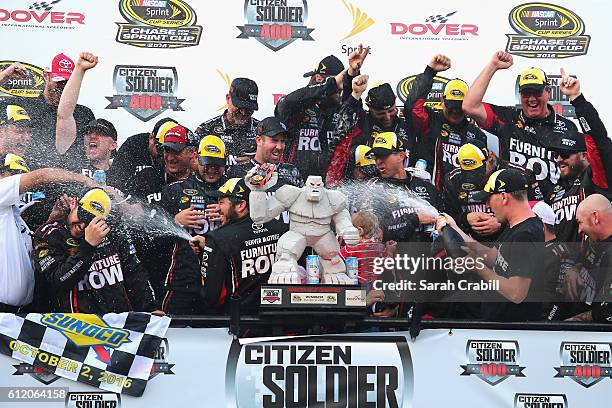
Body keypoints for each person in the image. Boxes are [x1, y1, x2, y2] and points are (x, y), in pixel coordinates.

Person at [438, 168, 546, 321]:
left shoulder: (526, 234)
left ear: (503, 197)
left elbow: (516, 293)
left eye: (489, 198)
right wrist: (455, 228)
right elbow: (493, 256)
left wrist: (478, 267)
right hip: (497, 322)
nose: (487, 204)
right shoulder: (515, 226)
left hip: (512, 330)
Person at [31, 188, 160, 313]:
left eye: (90, 221)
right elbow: (59, 281)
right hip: (74, 327)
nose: (82, 226)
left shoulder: (112, 230)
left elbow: (134, 272)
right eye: (82, 215)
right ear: (73, 203)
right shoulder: (49, 235)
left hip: (117, 324)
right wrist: (88, 246)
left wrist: (151, 307)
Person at [463, 51, 579, 186]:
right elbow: (469, 106)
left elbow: (576, 170)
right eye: (526, 93)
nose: (531, 99)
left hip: (553, 203)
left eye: (536, 92)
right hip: (514, 201)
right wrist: (493, 66)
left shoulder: (567, 126)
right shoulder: (508, 118)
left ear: (548, 92)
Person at [0, 153, 97, 311]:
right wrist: (85, 180)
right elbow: (41, 176)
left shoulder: (12, 213)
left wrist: (52, 220)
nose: (23, 180)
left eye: (24, 175)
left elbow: (28, 252)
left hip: (19, 312)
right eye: (15, 174)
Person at [159, 135, 228, 313]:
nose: (212, 170)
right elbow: (154, 234)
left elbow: (249, 230)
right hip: (183, 278)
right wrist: (175, 221)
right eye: (207, 165)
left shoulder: (234, 191)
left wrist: (230, 219)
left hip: (221, 279)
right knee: (171, 330)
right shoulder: (174, 190)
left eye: (217, 165)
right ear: (196, 158)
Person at [199, 178, 288, 313]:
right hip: (278, 316)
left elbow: (213, 297)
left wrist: (209, 250)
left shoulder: (218, 238)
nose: (217, 208)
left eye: (221, 202)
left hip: (238, 323)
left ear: (241, 205)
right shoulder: (281, 229)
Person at [544, 70, 612, 247]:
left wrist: (577, 99)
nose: (559, 159)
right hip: (558, 267)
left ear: (584, 155)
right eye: (556, 154)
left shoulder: (595, 179)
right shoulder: (554, 190)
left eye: (565, 154)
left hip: (592, 264)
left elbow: (599, 142)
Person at [404, 54, 488, 189]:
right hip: (428, 193)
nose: (455, 111)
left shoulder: (477, 135)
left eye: (459, 106)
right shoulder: (430, 121)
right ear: (442, 101)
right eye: (451, 105)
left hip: (459, 197)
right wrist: (430, 71)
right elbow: (412, 108)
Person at [443, 140, 544, 243]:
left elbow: (540, 212)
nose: (474, 177)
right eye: (468, 172)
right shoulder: (453, 179)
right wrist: (465, 219)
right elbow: (445, 215)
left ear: (490, 158)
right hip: (469, 241)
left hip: (509, 240)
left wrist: (504, 222)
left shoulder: (518, 175)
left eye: (478, 171)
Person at [327, 71, 415, 187]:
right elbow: (348, 112)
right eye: (381, 113)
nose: (387, 117)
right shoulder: (363, 122)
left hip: (403, 187)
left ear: (395, 100)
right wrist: (352, 78)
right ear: (369, 107)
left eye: (391, 111)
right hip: (367, 188)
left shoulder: (407, 125)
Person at [276, 54, 349, 179]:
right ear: (319, 79)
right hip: (294, 186)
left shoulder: (342, 108)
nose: (340, 89)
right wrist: (330, 86)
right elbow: (287, 102)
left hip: (329, 189)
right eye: (338, 86)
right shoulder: (296, 105)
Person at [362, 132, 442, 242]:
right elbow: (374, 232)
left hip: (428, 255)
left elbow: (445, 219)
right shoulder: (374, 189)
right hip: (392, 255)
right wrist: (414, 219)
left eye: (383, 155)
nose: (378, 161)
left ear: (401, 156)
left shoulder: (426, 187)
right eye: (376, 157)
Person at [21, 53, 95, 169]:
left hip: (74, 178)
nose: (62, 86)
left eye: (67, 82)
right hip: (30, 176)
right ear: (46, 75)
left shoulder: (84, 113)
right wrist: (5, 75)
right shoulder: (26, 107)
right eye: (59, 81)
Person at [565, 194, 612, 323]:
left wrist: (579, 319)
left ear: (595, 217)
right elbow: (582, 259)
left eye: (580, 222)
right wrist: (574, 269)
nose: (579, 230)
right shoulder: (593, 240)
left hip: (596, 334)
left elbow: (608, 311)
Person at [195, 78, 260, 166]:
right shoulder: (206, 130)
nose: (244, 113)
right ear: (228, 98)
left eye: (249, 109)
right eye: (240, 107)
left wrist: (255, 161)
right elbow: (193, 163)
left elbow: (273, 162)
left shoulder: (262, 130)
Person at [226, 116, 303, 188]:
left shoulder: (292, 172)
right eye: (274, 140)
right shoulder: (236, 172)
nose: (279, 147)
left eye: (282, 141)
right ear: (259, 140)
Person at [129, 123, 197, 205]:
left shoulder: (201, 180)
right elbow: (130, 210)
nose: (170, 158)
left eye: (176, 152)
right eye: (167, 151)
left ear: (192, 152)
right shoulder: (146, 177)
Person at [110, 117, 177, 191]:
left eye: (170, 150)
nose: (165, 155)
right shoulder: (134, 145)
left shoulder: (181, 152)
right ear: (151, 138)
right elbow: (115, 179)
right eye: (160, 149)